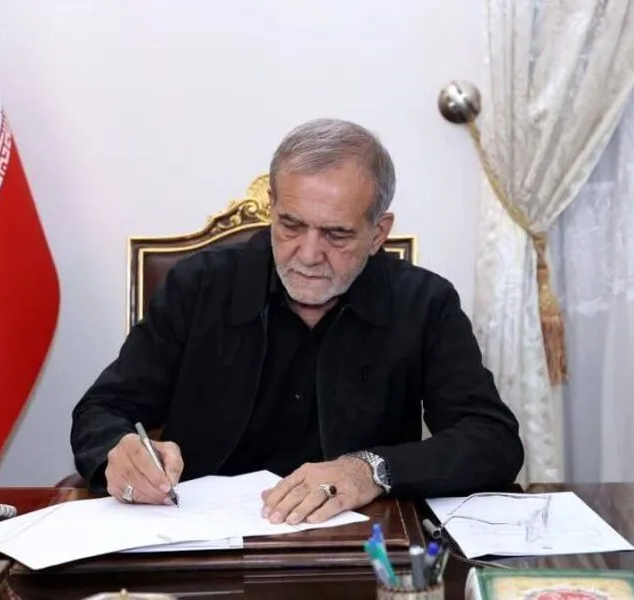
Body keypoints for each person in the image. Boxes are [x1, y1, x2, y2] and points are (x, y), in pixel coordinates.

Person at [70, 118, 524, 526]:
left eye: (336, 234)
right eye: (291, 225)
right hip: (201, 544)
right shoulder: (199, 286)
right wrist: (121, 453)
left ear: (377, 234)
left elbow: (492, 440)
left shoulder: (424, 303)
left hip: (359, 550)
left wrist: (370, 470)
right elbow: (103, 410)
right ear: (272, 209)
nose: (308, 255)